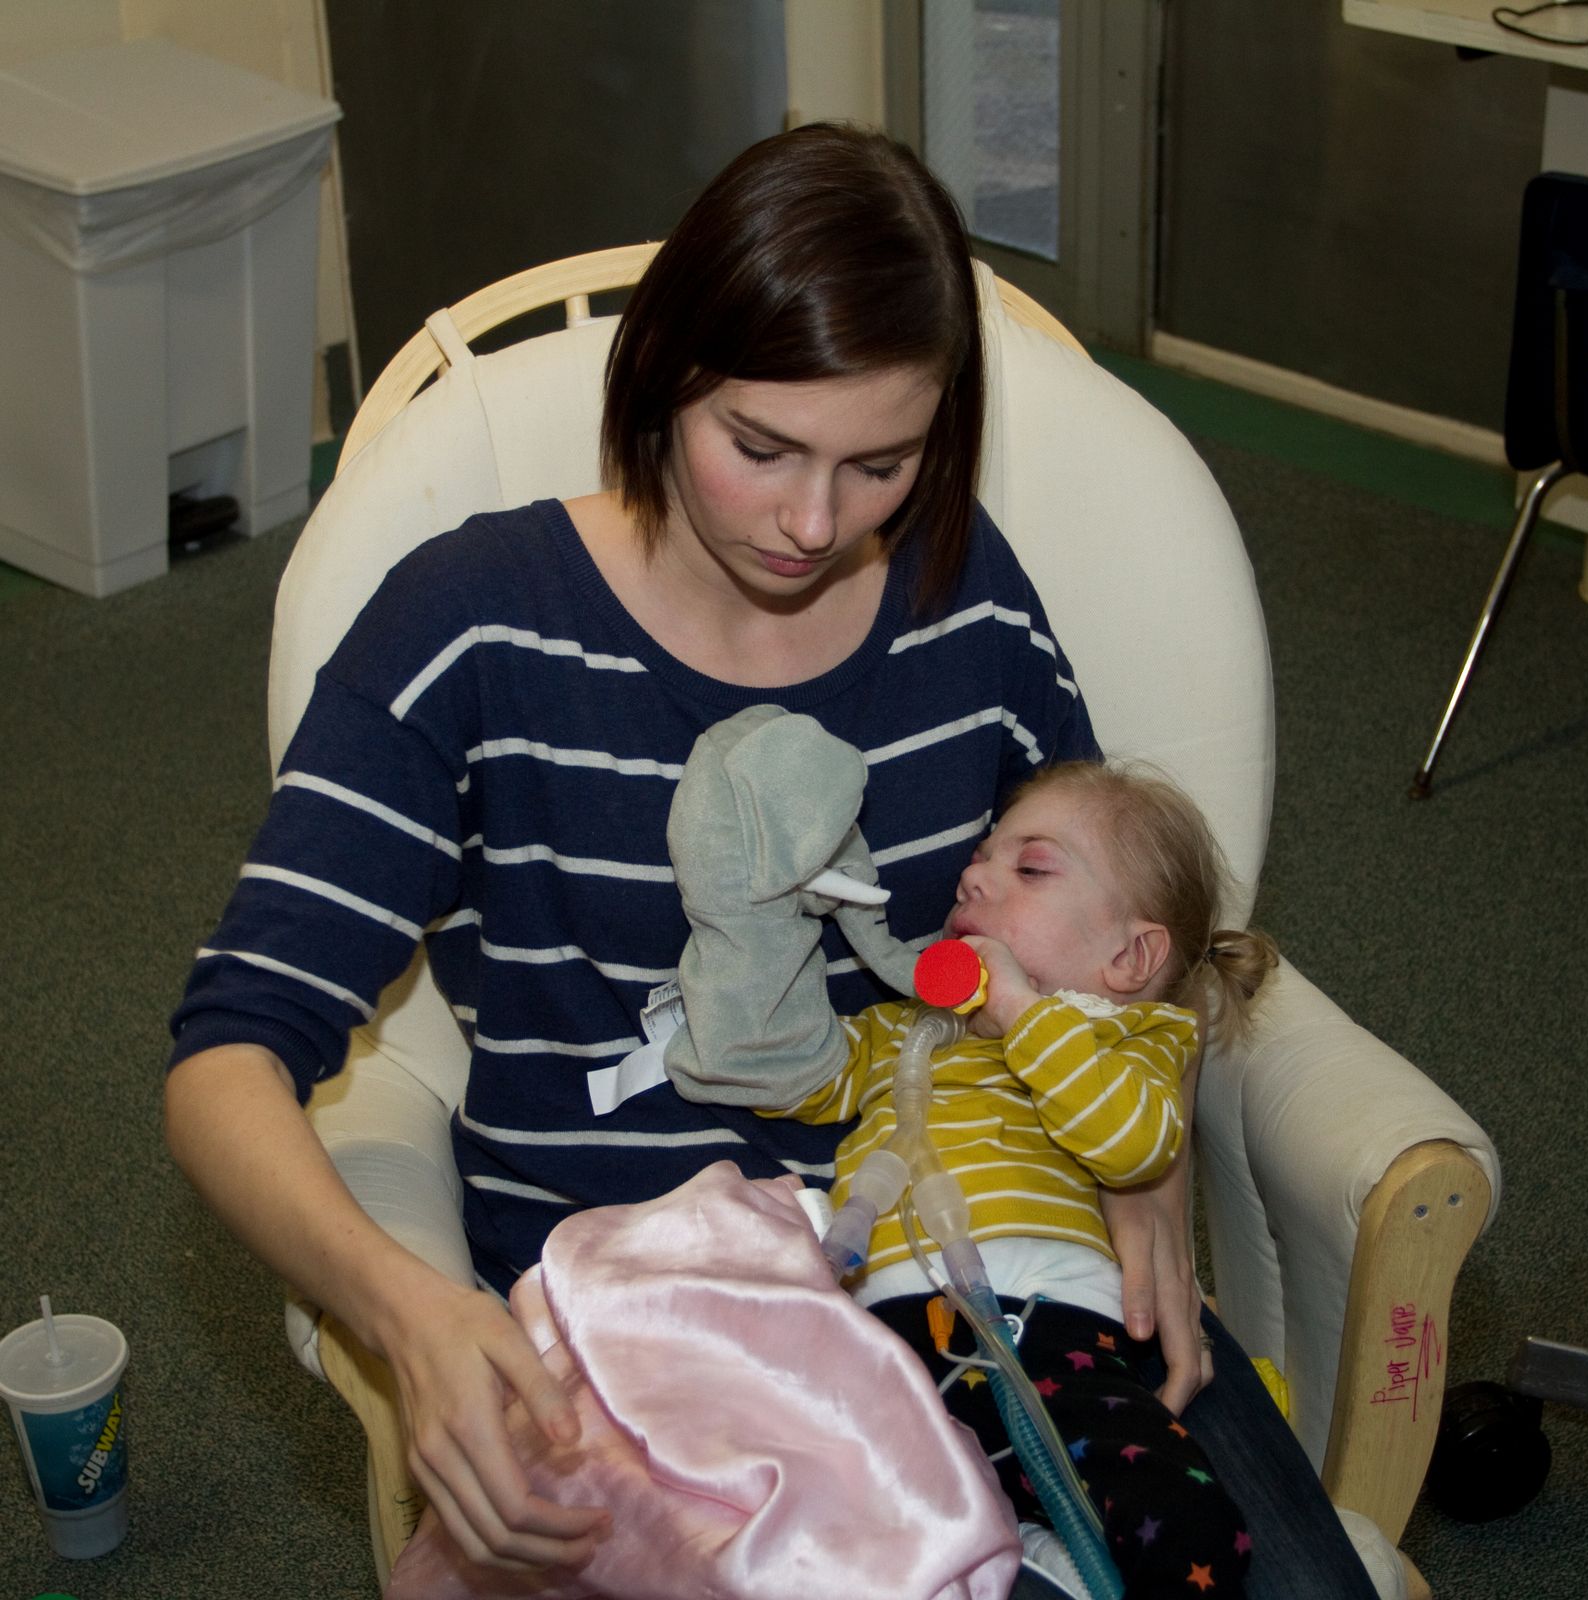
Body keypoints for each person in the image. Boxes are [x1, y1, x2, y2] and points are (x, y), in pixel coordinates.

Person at [161, 122, 1380, 1599]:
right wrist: (409, 1315)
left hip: (979, 1272)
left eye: (882, 464)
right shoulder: (471, 623)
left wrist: (1147, 1168)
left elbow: (1115, 914)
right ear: (662, 375)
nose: (814, 523)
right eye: (761, 449)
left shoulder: (966, 601)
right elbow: (227, 1057)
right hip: (641, 1329)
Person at [735, 759, 1276, 1597]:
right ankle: (1024, 1555)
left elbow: (1135, 1144)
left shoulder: (1134, 1037)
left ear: (1131, 956)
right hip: (883, 1338)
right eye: (981, 858)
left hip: (1053, 1330)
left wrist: (1025, 1013)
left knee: (1191, 1526)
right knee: (835, 1529)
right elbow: (791, 1079)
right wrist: (758, 934)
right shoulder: (903, 1029)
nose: (974, 877)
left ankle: (1061, 1552)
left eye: (1030, 869)